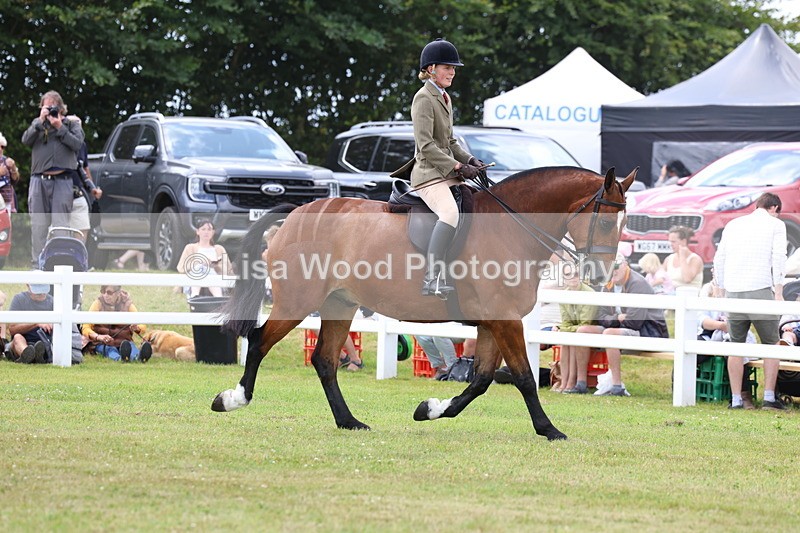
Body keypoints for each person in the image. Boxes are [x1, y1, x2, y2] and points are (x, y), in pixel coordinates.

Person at [391, 38, 482, 299]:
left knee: (472, 203)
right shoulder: (423, 98)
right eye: (447, 67)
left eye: (454, 68)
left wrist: (470, 160)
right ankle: (432, 278)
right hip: (428, 174)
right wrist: (457, 166)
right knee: (450, 214)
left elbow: (450, 140)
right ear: (431, 69)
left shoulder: (444, 97)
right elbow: (427, 145)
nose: (452, 72)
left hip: (446, 173)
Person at [714, 192, 787, 411]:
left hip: (734, 291)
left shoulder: (734, 224)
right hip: (760, 289)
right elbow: (779, 256)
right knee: (771, 344)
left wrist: (721, 289)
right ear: (774, 208)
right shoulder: (776, 225)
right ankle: (769, 398)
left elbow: (720, 257)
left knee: (735, 345)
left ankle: (736, 400)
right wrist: (779, 291)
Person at [579, 252, 669, 396]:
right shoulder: (608, 284)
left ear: (625, 265)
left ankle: (616, 386)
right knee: (583, 331)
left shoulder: (638, 283)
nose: (612, 271)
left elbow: (634, 322)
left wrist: (612, 320)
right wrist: (617, 318)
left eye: (616, 266)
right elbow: (600, 315)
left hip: (649, 331)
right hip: (618, 328)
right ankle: (581, 383)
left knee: (609, 334)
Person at [21, 90, 85, 264]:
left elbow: (77, 144)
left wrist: (59, 127)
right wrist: (40, 121)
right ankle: (37, 265)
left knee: (60, 227)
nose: (49, 111)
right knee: (38, 226)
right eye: (45, 107)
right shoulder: (37, 124)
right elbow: (25, 141)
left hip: (62, 181)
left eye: (52, 107)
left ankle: (59, 264)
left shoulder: (71, 125)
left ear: (61, 108)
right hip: (38, 181)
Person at [697, 278, 757, 409]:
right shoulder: (707, 289)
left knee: (735, 348)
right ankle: (682, 387)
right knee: (691, 351)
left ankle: (743, 394)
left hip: (734, 334)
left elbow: (743, 320)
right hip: (709, 334)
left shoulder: (738, 288)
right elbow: (702, 319)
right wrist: (722, 325)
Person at [81, 285, 152, 362]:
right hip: (102, 342)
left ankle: (138, 357)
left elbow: (142, 324)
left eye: (109, 292)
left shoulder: (128, 304)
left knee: (131, 347)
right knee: (110, 350)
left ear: (118, 293)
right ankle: (120, 359)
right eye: (103, 292)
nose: (105, 295)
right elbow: (86, 327)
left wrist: (137, 328)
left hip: (124, 341)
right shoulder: (97, 304)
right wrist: (99, 337)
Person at [558, 268, 598, 394]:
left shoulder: (589, 292)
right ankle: (564, 382)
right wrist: (565, 329)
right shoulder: (564, 294)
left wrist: (566, 329)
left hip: (591, 329)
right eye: (568, 275)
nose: (573, 277)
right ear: (564, 279)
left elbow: (585, 322)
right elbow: (565, 322)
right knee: (566, 340)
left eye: (576, 274)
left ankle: (571, 381)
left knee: (574, 336)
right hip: (576, 329)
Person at [67, 118, 103, 243]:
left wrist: (93, 188)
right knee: (59, 231)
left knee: (83, 227)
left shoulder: (82, 145)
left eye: (79, 126)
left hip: (77, 193)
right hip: (59, 194)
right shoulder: (59, 144)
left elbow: (84, 168)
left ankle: (79, 258)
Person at [176, 218, 233, 297]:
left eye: (209, 230)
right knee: (201, 268)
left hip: (215, 278)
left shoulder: (219, 249)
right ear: (198, 231)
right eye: (203, 229)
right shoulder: (190, 248)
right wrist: (199, 263)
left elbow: (228, 270)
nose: (206, 232)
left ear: (213, 232)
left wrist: (216, 266)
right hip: (194, 278)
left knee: (209, 270)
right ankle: (195, 295)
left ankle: (218, 297)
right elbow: (181, 268)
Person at [5, 280, 53, 364]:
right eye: (38, 292)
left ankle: (35, 356)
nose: (41, 294)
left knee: (42, 344)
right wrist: (36, 323)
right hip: (23, 341)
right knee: (17, 337)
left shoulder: (52, 302)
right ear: (28, 285)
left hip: (44, 341)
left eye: (44, 292)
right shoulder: (19, 299)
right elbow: (12, 330)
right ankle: (29, 354)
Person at [663, 226, 703, 293]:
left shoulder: (695, 259)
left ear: (684, 241)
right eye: (670, 241)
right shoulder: (668, 259)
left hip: (690, 296)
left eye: (673, 242)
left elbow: (687, 279)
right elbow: (661, 277)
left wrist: (682, 256)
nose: (671, 244)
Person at [0, 132, 21, 212]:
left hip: (6, 202)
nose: (0, 149)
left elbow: (15, 180)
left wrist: (13, 169)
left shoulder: (6, 160)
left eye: (2, 146)